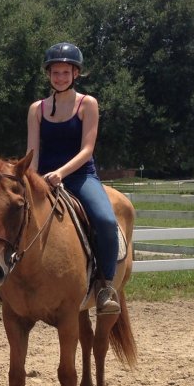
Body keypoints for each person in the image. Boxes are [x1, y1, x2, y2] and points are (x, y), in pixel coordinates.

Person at [25, 42, 121, 315]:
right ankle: (7, 280)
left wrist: (61, 173)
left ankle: (105, 286)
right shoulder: (37, 109)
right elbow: (32, 152)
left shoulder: (87, 104)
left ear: (75, 73)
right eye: (55, 72)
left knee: (105, 220)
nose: (60, 77)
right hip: (43, 178)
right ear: (48, 75)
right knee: (14, 216)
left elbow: (87, 149)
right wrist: (30, 179)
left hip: (79, 176)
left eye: (66, 72)